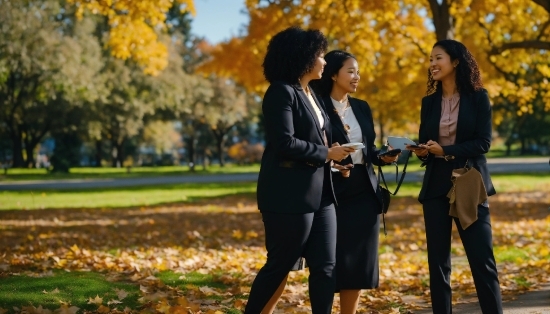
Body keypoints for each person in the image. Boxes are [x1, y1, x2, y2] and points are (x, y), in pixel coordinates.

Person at [244, 27, 355, 314]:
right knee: (280, 265)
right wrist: (325, 153)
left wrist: (334, 161)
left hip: (322, 196)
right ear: (303, 57)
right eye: (319, 55)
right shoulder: (281, 92)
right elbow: (284, 143)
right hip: (287, 196)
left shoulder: (311, 94)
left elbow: (317, 139)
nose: (324, 61)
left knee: (326, 267)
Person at [407, 39, 503, 314]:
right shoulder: (429, 102)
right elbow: (428, 140)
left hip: (469, 182)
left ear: (456, 62)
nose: (433, 64)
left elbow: (483, 143)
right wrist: (422, 150)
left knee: (482, 259)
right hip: (436, 185)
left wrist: (446, 150)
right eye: (430, 59)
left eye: (438, 58)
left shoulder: (478, 97)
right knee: (438, 264)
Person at [311, 50, 398, 313]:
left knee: (358, 264)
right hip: (331, 190)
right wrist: (332, 162)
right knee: (329, 262)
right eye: (350, 71)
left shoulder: (361, 107)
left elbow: (368, 150)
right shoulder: (318, 105)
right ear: (333, 74)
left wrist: (383, 156)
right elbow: (315, 148)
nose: (356, 76)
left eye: (357, 71)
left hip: (364, 190)